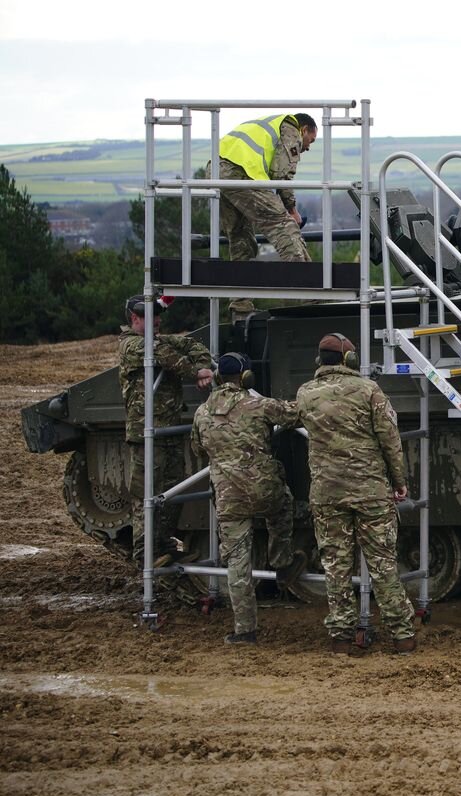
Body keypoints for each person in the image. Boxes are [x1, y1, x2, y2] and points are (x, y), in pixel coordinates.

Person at [295, 333, 417, 656]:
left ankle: (341, 640)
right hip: (370, 492)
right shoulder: (369, 391)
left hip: (327, 495)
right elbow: (390, 438)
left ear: (319, 361)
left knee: (336, 568)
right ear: (350, 360)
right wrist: (398, 480)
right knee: (383, 565)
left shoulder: (305, 393)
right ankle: (402, 637)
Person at [190, 353, 307, 646]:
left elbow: (197, 449)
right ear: (245, 379)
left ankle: (245, 630)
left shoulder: (202, 413)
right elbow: (294, 415)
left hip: (229, 496)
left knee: (237, 562)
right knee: (284, 508)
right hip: (264, 489)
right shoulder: (258, 404)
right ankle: (282, 562)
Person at [117, 295, 214, 568]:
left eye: (158, 317)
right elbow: (163, 355)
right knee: (146, 495)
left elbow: (189, 344)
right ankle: (144, 553)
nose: (158, 321)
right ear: (134, 319)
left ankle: (164, 545)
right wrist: (197, 370)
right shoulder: (130, 345)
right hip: (145, 434)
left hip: (168, 431)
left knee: (173, 492)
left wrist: (202, 364)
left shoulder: (157, 340)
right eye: (150, 317)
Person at [212, 112, 318, 317]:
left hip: (216, 171)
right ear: (303, 130)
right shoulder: (290, 128)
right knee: (283, 225)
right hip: (240, 173)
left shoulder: (266, 125)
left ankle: (240, 305)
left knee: (240, 238)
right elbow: (282, 174)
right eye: (310, 140)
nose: (307, 147)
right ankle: (308, 293)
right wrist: (291, 209)